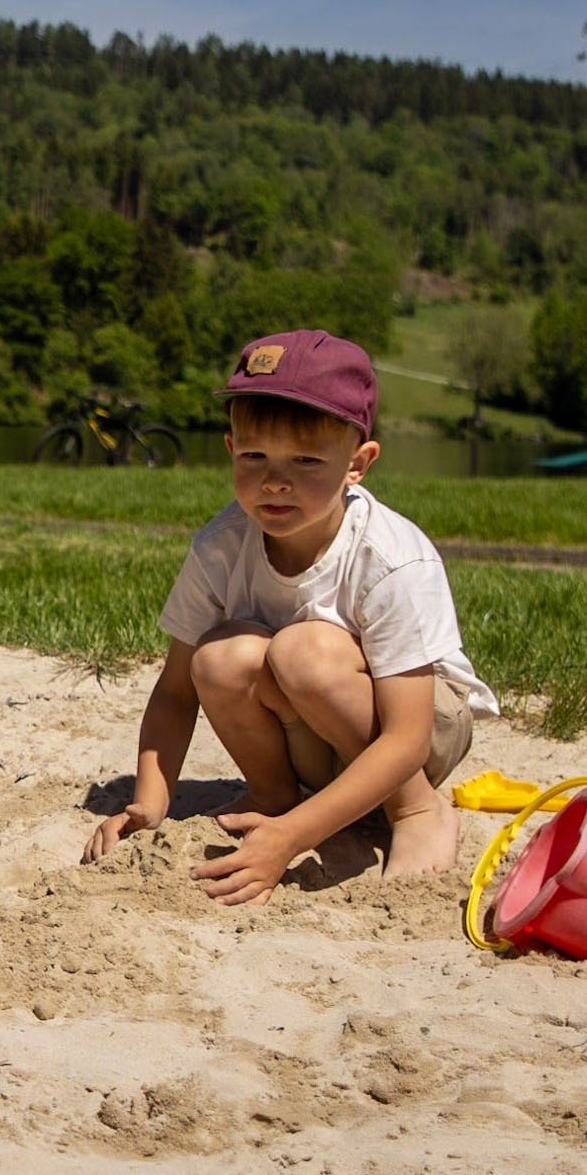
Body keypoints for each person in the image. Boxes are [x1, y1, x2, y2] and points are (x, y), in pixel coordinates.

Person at [83, 329, 494, 905]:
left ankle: (417, 810)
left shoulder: (388, 556)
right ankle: (274, 795)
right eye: (256, 456)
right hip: (311, 726)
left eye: (305, 460)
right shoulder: (221, 546)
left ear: (358, 462)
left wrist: (293, 842)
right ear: (230, 450)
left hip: (418, 732)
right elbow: (177, 691)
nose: (275, 480)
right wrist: (148, 804)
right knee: (220, 655)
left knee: (302, 652)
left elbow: (407, 736)